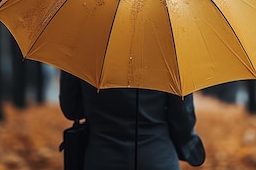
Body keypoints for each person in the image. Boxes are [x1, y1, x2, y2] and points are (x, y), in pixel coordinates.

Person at [59, 71, 205, 170]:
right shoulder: (169, 52)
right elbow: (183, 120)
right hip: (157, 156)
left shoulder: (84, 45)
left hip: (101, 156)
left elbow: (71, 109)